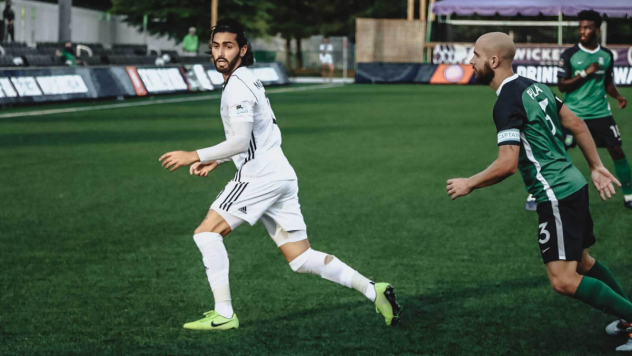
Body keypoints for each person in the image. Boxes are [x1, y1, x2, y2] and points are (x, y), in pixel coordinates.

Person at [158, 19, 401, 331]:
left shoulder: (238, 87)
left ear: (242, 50)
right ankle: (374, 290)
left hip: (259, 177)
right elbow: (258, 133)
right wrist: (219, 161)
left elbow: (243, 140)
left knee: (207, 233)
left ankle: (224, 314)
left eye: (228, 46)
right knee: (301, 259)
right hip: (280, 175)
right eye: (216, 46)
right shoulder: (246, 79)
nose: (220, 52)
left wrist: (195, 154)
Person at [447, 32, 632, 352]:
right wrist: (595, 166)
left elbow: (507, 164)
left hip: (556, 195)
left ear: (493, 61)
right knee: (584, 263)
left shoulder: (507, 101)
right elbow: (575, 122)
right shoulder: (534, 86)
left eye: (475, 56)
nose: (470, 61)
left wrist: (469, 183)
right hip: (573, 185)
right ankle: (628, 316)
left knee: (563, 279)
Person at [557, 10, 631, 209]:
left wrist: (617, 96)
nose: (582, 31)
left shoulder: (606, 55)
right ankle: (536, 194)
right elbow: (562, 86)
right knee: (556, 152)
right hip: (573, 114)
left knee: (617, 151)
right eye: (580, 27)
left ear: (596, 30)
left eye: (587, 27)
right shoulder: (570, 54)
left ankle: (629, 195)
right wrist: (584, 73)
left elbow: (607, 82)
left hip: (600, 113)